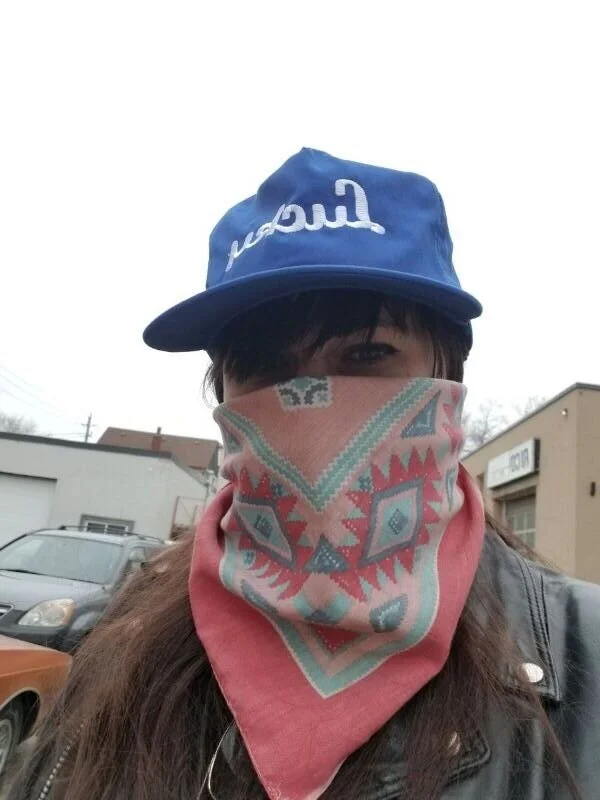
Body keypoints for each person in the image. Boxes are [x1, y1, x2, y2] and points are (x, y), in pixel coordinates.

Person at [11, 149, 600, 800]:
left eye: (368, 352)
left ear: (449, 374)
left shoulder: (585, 650)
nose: (312, 405)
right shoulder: (125, 635)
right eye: (266, 367)